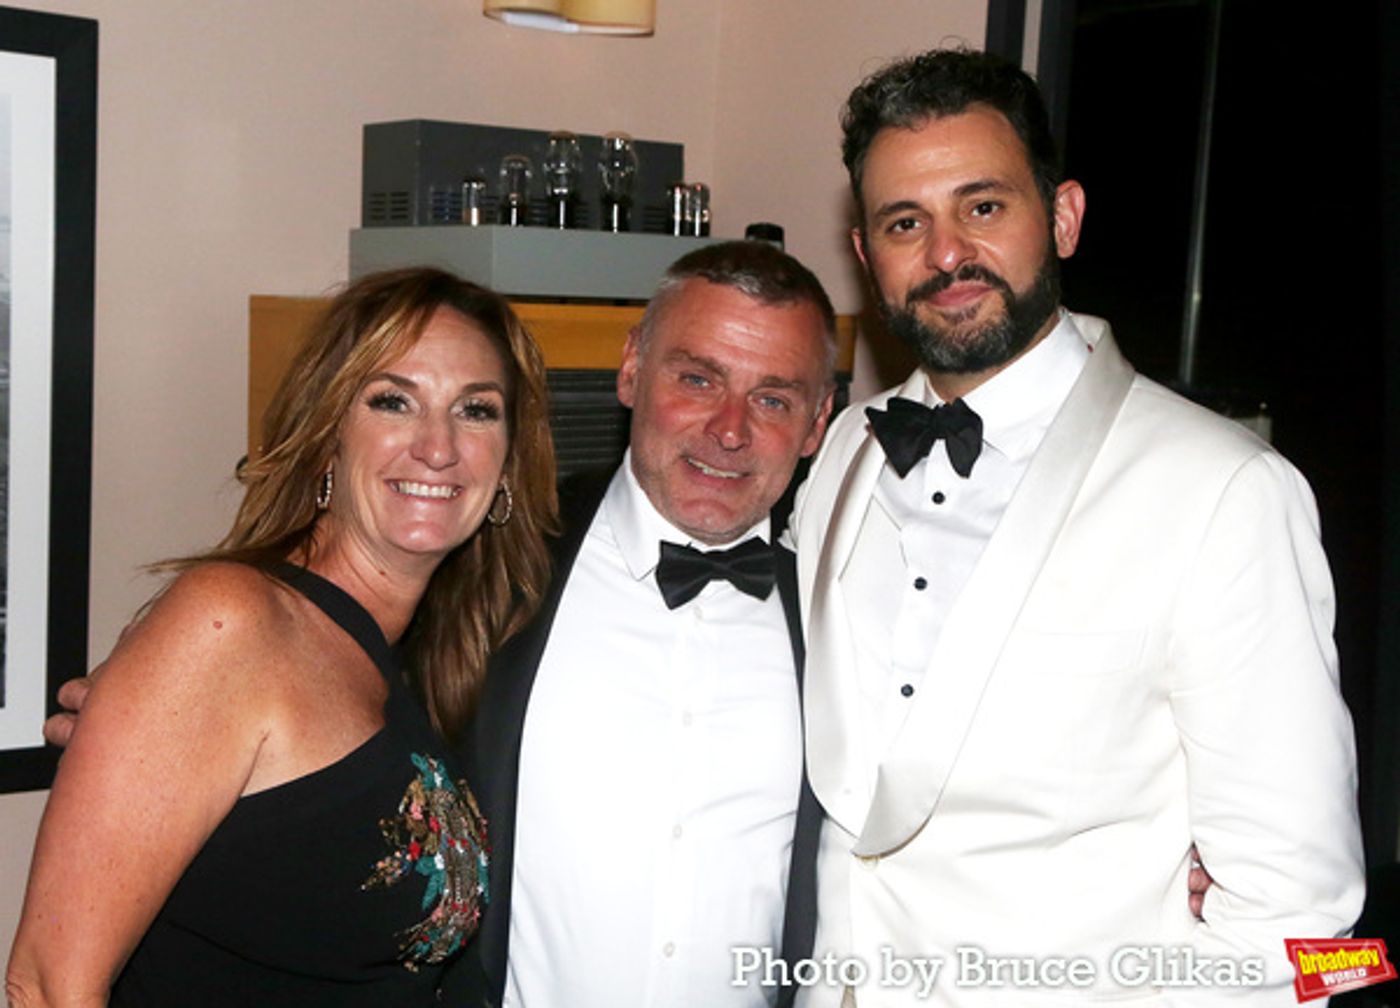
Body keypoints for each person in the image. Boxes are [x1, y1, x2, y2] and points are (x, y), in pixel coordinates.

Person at [787, 48, 1365, 1006]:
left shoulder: (1224, 491)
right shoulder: (844, 447)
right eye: (905, 222)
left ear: (1062, 218)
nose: (944, 256)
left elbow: (1302, 920)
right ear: (864, 256)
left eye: (982, 207)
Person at [6, 267, 558, 1007]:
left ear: (508, 462)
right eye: (394, 401)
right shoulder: (231, 622)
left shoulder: (419, 658)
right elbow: (48, 986)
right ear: (328, 433)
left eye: (477, 411)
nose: (437, 446)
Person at [442, 240, 836, 1008]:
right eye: (697, 379)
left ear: (818, 423)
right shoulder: (488, 561)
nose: (730, 429)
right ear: (631, 371)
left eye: (774, 399)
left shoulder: (845, 611)